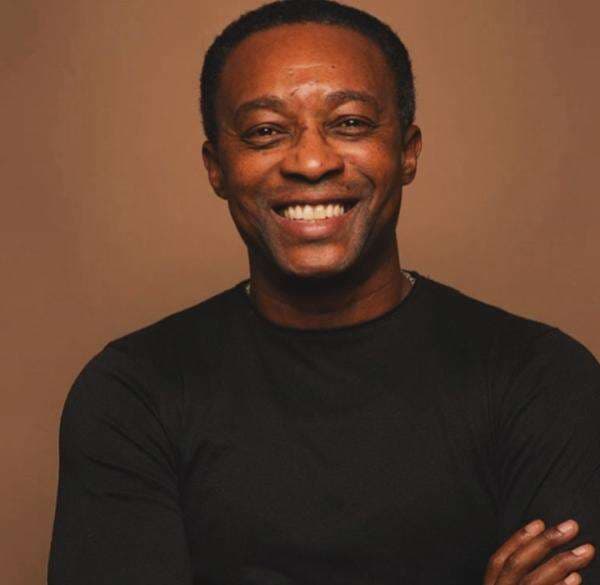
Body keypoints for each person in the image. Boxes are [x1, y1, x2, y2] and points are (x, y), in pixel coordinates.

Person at [47, 1, 599, 583]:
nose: (311, 162)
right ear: (217, 167)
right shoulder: (133, 395)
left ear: (407, 152)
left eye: (351, 123)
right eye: (266, 131)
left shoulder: (542, 381)